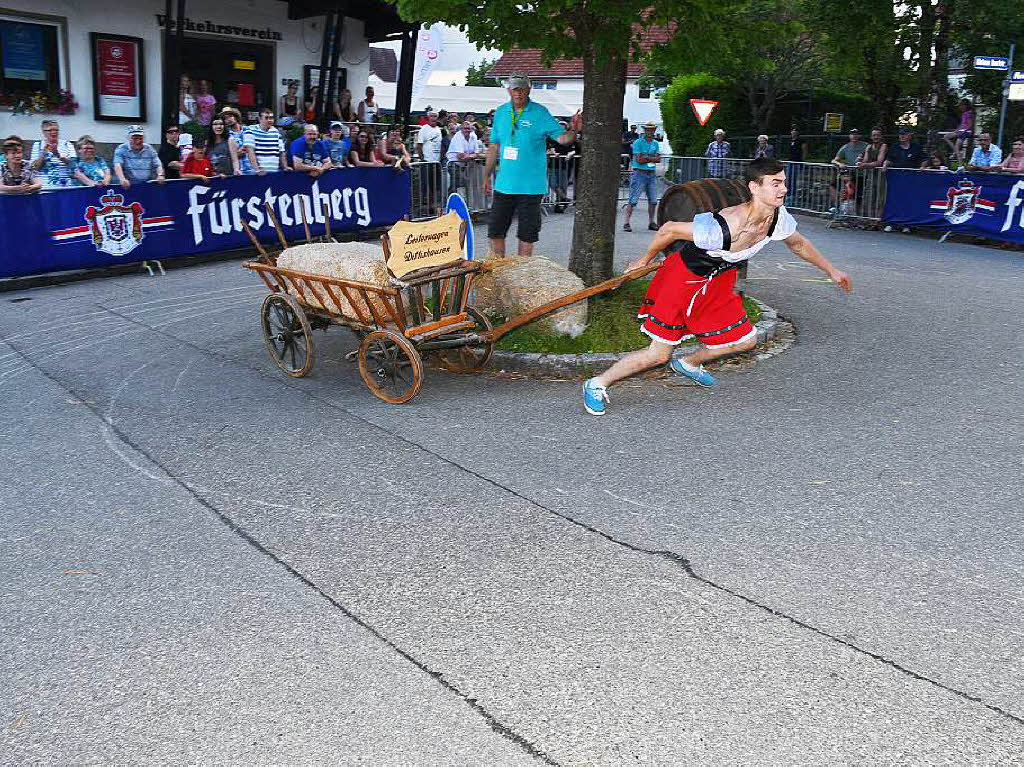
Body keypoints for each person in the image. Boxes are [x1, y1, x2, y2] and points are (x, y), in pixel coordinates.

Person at [582, 157, 852, 416]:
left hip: (717, 281)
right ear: (754, 187)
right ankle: (597, 383)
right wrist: (643, 260)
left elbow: (799, 244)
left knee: (746, 340)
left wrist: (832, 270)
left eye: (783, 182)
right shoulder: (725, 226)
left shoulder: (776, 218)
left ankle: (689, 362)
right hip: (682, 280)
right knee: (658, 354)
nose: (784, 188)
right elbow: (669, 230)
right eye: (776, 183)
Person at [484, 73, 582, 256]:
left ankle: (522, 276)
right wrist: (486, 176)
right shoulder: (501, 112)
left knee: (527, 235)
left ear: (528, 90)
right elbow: (494, 146)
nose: (518, 93)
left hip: (531, 187)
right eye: (515, 89)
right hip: (504, 185)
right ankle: (498, 273)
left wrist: (573, 129)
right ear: (509, 90)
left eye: (522, 89)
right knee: (495, 231)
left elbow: (563, 139)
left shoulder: (540, 113)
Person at [622, 121, 661, 232]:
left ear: (654, 131)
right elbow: (639, 159)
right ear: (645, 130)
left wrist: (647, 158)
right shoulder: (638, 142)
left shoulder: (655, 143)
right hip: (639, 173)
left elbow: (658, 159)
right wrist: (652, 158)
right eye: (648, 129)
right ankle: (626, 222)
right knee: (633, 199)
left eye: (652, 129)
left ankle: (651, 222)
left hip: (651, 174)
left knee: (653, 200)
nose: (650, 131)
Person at [447, 120, 485, 209]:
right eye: (465, 128)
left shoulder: (473, 136)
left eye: (469, 128)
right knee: (460, 184)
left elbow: (477, 153)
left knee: (458, 185)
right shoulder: (457, 137)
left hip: (464, 165)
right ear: (461, 129)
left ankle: (455, 205)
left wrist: (470, 156)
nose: (467, 130)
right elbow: (461, 156)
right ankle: (453, 205)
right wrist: (473, 155)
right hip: (454, 164)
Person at [30, 119, 75, 188]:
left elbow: (74, 165)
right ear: (43, 132)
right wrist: (43, 154)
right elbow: (34, 168)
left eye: (56, 130)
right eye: (50, 130)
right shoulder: (37, 145)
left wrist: (58, 155)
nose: (54, 132)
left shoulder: (67, 144)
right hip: (45, 186)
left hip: (65, 185)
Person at [243, 108, 289, 175]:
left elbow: (281, 152)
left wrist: (285, 167)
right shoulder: (250, 130)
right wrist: (257, 169)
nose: (269, 120)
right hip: (255, 174)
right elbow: (250, 151)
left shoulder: (276, 132)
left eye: (271, 118)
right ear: (259, 119)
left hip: (273, 173)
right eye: (266, 118)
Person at [416, 110, 443, 214]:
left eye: (435, 116)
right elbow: (419, 145)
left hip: (436, 162)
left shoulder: (439, 129)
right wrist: (422, 159)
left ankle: (433, 206)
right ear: (428, 117)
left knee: (434, 185)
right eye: (431, 116)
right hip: (427, 161)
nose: (433, 118)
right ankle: (426, 206)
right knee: (426, 185)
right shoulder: (423, 129)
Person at [941, 98, 974, 164]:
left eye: (961, 106)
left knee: (957, 146)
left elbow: (970, 124)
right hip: (961, 130)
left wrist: (964, 130)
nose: (960, 107)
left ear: (965, 105)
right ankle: (956, 153)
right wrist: (957, 130)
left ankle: (960, 163)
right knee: (946, 137)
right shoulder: (964, 113)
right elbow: (962, 124)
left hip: (965, 132)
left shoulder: (969, 113)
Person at [220, 107, 249, 175]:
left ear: (236, 117)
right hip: (239, 172)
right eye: (225, 118)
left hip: (254, 170)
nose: (228, 119)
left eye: (230, 116)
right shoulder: (225, 136)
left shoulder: (248, 129)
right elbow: (223, 156)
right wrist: (236, 154)